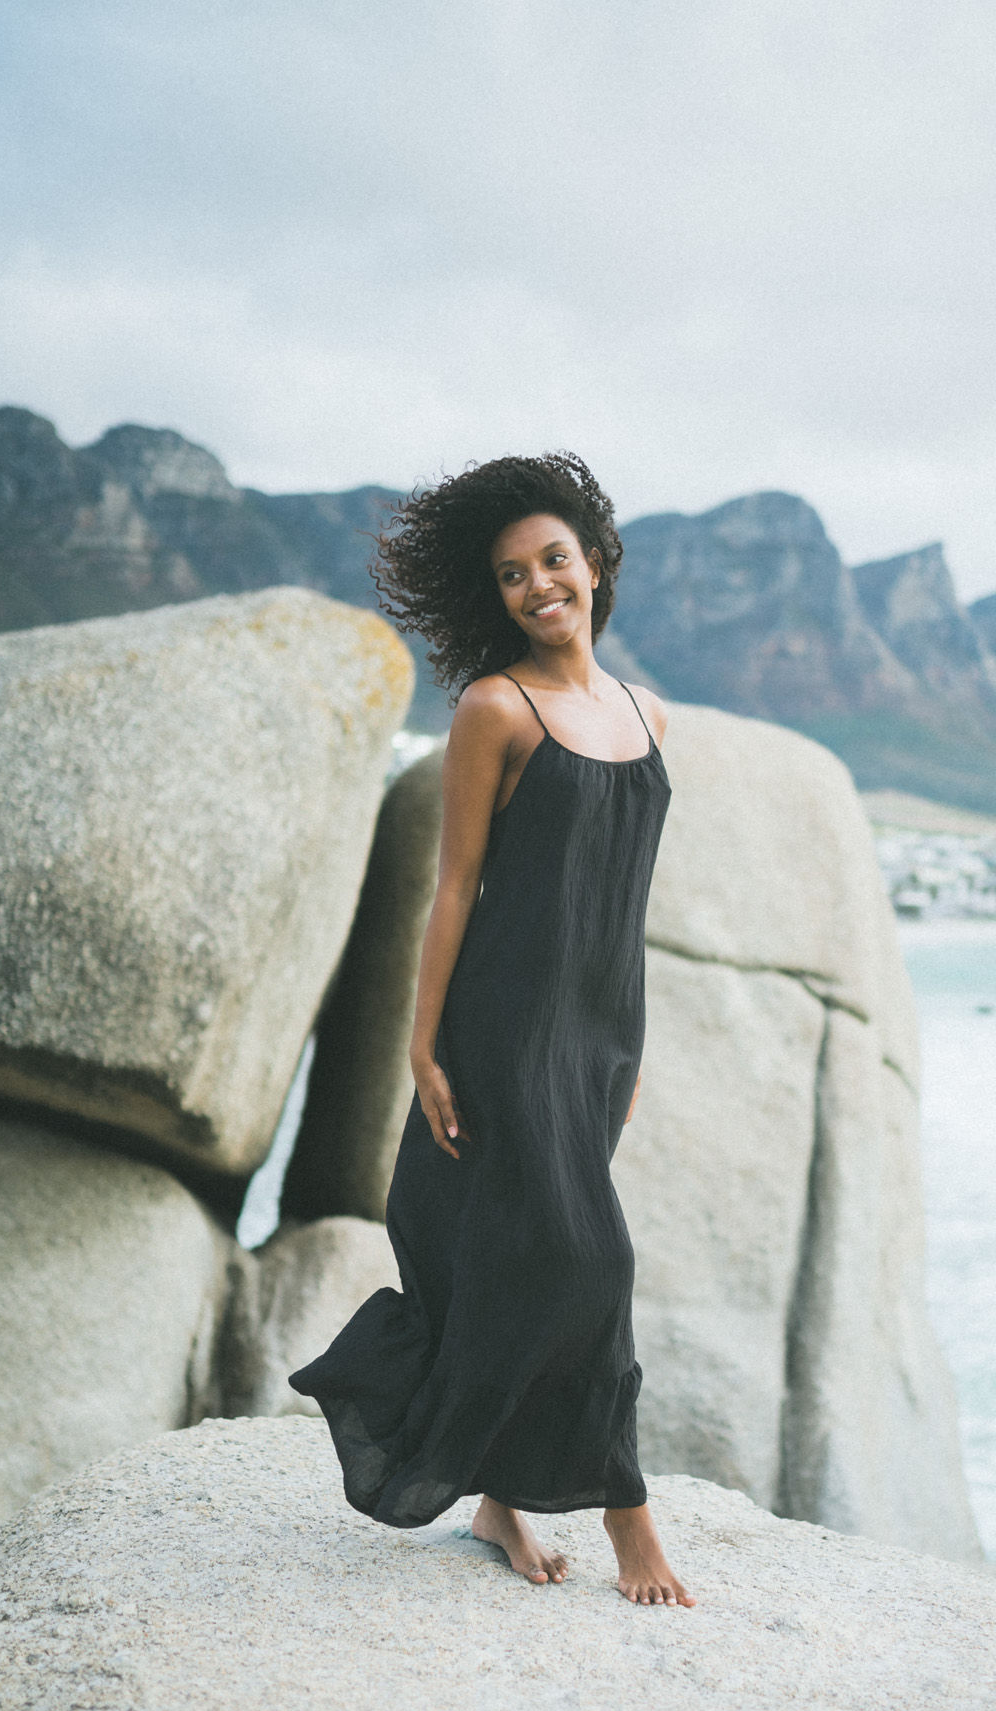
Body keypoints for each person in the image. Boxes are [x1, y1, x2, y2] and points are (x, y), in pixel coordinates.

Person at [289, 451, 695, 1607]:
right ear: (498, 596)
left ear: (596, 563)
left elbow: (623, 899)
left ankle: (498, 1502)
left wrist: (630, 1042)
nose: (537, 585)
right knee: (590, 1257)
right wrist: (422, 1048)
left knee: (515, 1262)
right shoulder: (493, 707)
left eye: (553, 559)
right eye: (512, 574)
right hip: (502, 1030)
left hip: (596, 1035)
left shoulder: (649, 714)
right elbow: (453, 887)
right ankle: (631, 1522)